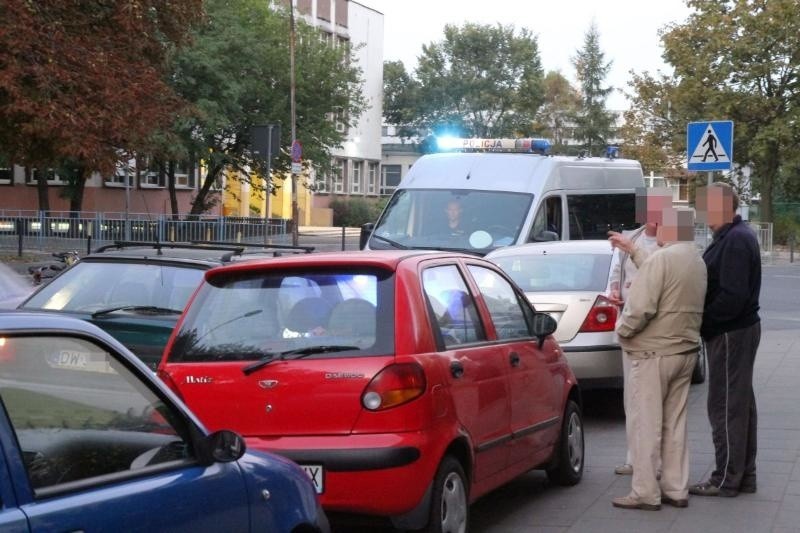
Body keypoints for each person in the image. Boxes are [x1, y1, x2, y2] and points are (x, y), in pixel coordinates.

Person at [611, 207, 707, 511]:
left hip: (653, 353)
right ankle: (676, 488)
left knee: (645, 423)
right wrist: (634, 250)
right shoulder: (695, 259)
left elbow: (640, 308)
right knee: (675, 424)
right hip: (685, 350)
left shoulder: (663, 259)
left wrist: (622, 332)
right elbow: (660, 273)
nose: (655, 229)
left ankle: (644, 492)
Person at [689, 182, 761, 498]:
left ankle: (726, 478)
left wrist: (703, 323)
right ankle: (743, 476)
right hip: (735, 330)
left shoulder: (734, 240)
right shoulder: (731, 236)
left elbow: (732, 296)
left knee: (725, 404)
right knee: (740, 403)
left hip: (731, 332)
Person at [607, 187, 671, 477]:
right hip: (629, 324)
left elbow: (662, 276)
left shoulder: (669, 240)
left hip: (656, 328)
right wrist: (614, 291)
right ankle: (634, 457)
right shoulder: (629, 237)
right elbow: (614, 274)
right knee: (632, 396)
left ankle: (656, 460)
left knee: (655, 398)